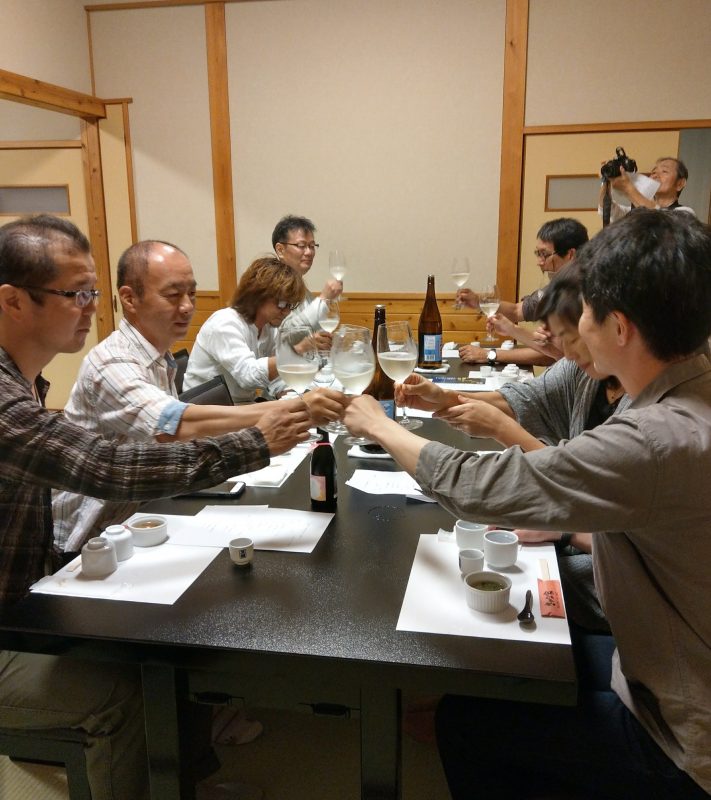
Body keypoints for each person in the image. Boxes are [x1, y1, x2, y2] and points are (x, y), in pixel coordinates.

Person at [344, 210, 711, 798]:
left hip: (681, 738)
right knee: (513, 664)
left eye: (586, 312)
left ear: (618, 326)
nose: (569, 331)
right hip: (662, 668)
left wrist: (378, 425)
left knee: (465, 720)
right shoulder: (687, 392)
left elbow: (482, 486)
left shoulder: (655, 437)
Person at [0, 215, 312, 800]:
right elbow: (108, 465)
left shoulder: (27, 380)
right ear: (14, 301)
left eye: (92, 292)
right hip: (34, 592)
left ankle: (188, 771)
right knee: (142, 676)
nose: (90, 308)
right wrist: (259, 437)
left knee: (198, 610)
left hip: (46, 574)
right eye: (77, 294)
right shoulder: (21, 394)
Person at [53, 240, 346, 555]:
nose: (187, 306)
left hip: (142, 516)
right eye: (173, 295)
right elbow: (173, 424)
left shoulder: (159, 358)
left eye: (191, 294)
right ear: (129, 298)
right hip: (88, 542)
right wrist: (298, 408)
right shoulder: (112, 362)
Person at [404, 261, 628, 633]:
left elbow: (584, 491)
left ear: (613, 324)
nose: (556, 348)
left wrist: (564, 531)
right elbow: (526, 398)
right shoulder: (587, 372)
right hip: (571, 545)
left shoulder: (652, 415)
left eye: (565, 335)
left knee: (477, 590)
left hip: (604, 583)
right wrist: (442, 398)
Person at [456, 218, 588, 366]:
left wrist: (491, 354)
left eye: (544, 254)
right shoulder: (555, 288)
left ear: (570, 254)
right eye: (537, 253)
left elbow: (559, 354)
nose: (539, 262)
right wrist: (478, 301)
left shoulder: (585, 294)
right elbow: (516, 310)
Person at [184, 257, 309, 403]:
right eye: (282, 304)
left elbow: (276, 375)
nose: (286, 312)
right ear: (257, 295)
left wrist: (291, 394)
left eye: (290, 305)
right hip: (204, 408)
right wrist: (295, 352)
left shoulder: (269, 328)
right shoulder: (225, 323)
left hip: (240, 405)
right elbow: (248, 376)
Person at [272, 214, 342, 342]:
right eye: (301, 245)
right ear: (280, 250)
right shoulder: (272, 286)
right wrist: (323, 300)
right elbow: (284, 336)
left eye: (312, 246)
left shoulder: (302, 289)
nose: (309, 252)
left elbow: (315, 332)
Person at [599, 156, 695, 223]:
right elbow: (607, 210)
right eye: (653, 172)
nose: (656, 175)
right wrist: (606, 181)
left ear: (680, 183)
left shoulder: (686, 213)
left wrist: (628, 189)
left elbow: (661, 221)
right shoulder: (634, 211)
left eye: (664, 171)